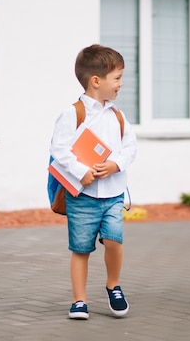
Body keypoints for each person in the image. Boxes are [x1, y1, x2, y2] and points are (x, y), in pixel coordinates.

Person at [50, 44, 137, 320]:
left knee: (114, 241)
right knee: (81, 248)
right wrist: (80, 171)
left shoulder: (118, 116)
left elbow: (130, 147)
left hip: (112, 194)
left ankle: (114, 285)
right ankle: (79, 300)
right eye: (117, 78)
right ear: (96, 81)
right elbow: (59, 149)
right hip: (82, 197)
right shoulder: (73, 114)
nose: (121, 84)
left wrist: (115, 164)